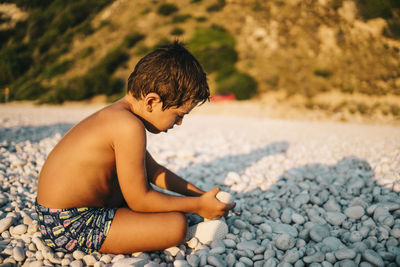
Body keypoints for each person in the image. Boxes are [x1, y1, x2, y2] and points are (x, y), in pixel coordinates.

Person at [36, 41, 235, 254]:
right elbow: (140, 200)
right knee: (176, 225)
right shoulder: (128, 126)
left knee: (162, 204)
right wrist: (196, 206)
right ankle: (190, 232)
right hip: (68, 224)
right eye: (178, 115)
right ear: (151, 102)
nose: (179, 123)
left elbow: (154, 171)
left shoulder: (119, 115)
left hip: (60, 212)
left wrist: (200, 196)